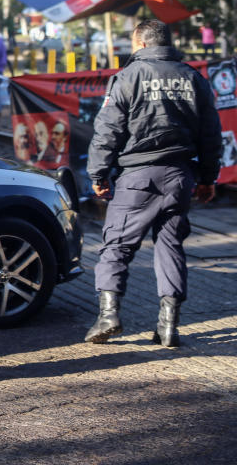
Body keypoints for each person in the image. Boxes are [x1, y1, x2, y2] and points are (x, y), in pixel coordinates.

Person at [85, 19, 222, 348]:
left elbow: (108, 131)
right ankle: (169, 326)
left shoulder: (128, 77)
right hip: (179, 177)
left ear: (141, 43)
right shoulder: (194, 78)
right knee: (170, 247)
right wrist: (207, 178)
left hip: (137, 177)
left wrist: (98, 175)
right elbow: (210, 133)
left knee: (116, 246)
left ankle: (108, 316)